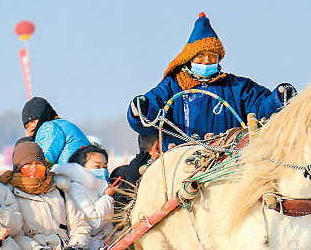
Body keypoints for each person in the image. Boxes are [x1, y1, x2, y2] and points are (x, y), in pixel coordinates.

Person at [127, 12, 296, 150]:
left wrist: (278, 99)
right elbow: (149, 117)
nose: (207, 60)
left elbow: (261, 107)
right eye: (201, 56)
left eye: (212, 56)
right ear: (189, 58)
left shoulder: (236, 87)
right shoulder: (172, 86)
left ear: (219, 59)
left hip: (227, 160)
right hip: (182, 163)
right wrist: (140, 110)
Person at [0, 141, 91, 250]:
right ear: (18, 168)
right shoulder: (9, 194)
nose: (34, 168)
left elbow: (80, 225)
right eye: (28, 164)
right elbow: (15, 234)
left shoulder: (59, 191)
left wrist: (76, 247)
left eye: (38, 163)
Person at [52, 144, 117, 250]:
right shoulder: (74, 188)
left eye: (105, 167)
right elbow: (94, 224)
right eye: (97, 167)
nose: (103, 171)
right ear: (81, 169)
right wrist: (107, 197)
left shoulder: (100, 188)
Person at [21, 96, 91, 165]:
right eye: (27, 126)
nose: (31, 128)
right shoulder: (64, 125)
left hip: (71, 175)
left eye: (33, 121)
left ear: (44, 115)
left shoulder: (49, 127)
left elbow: (41, 166)